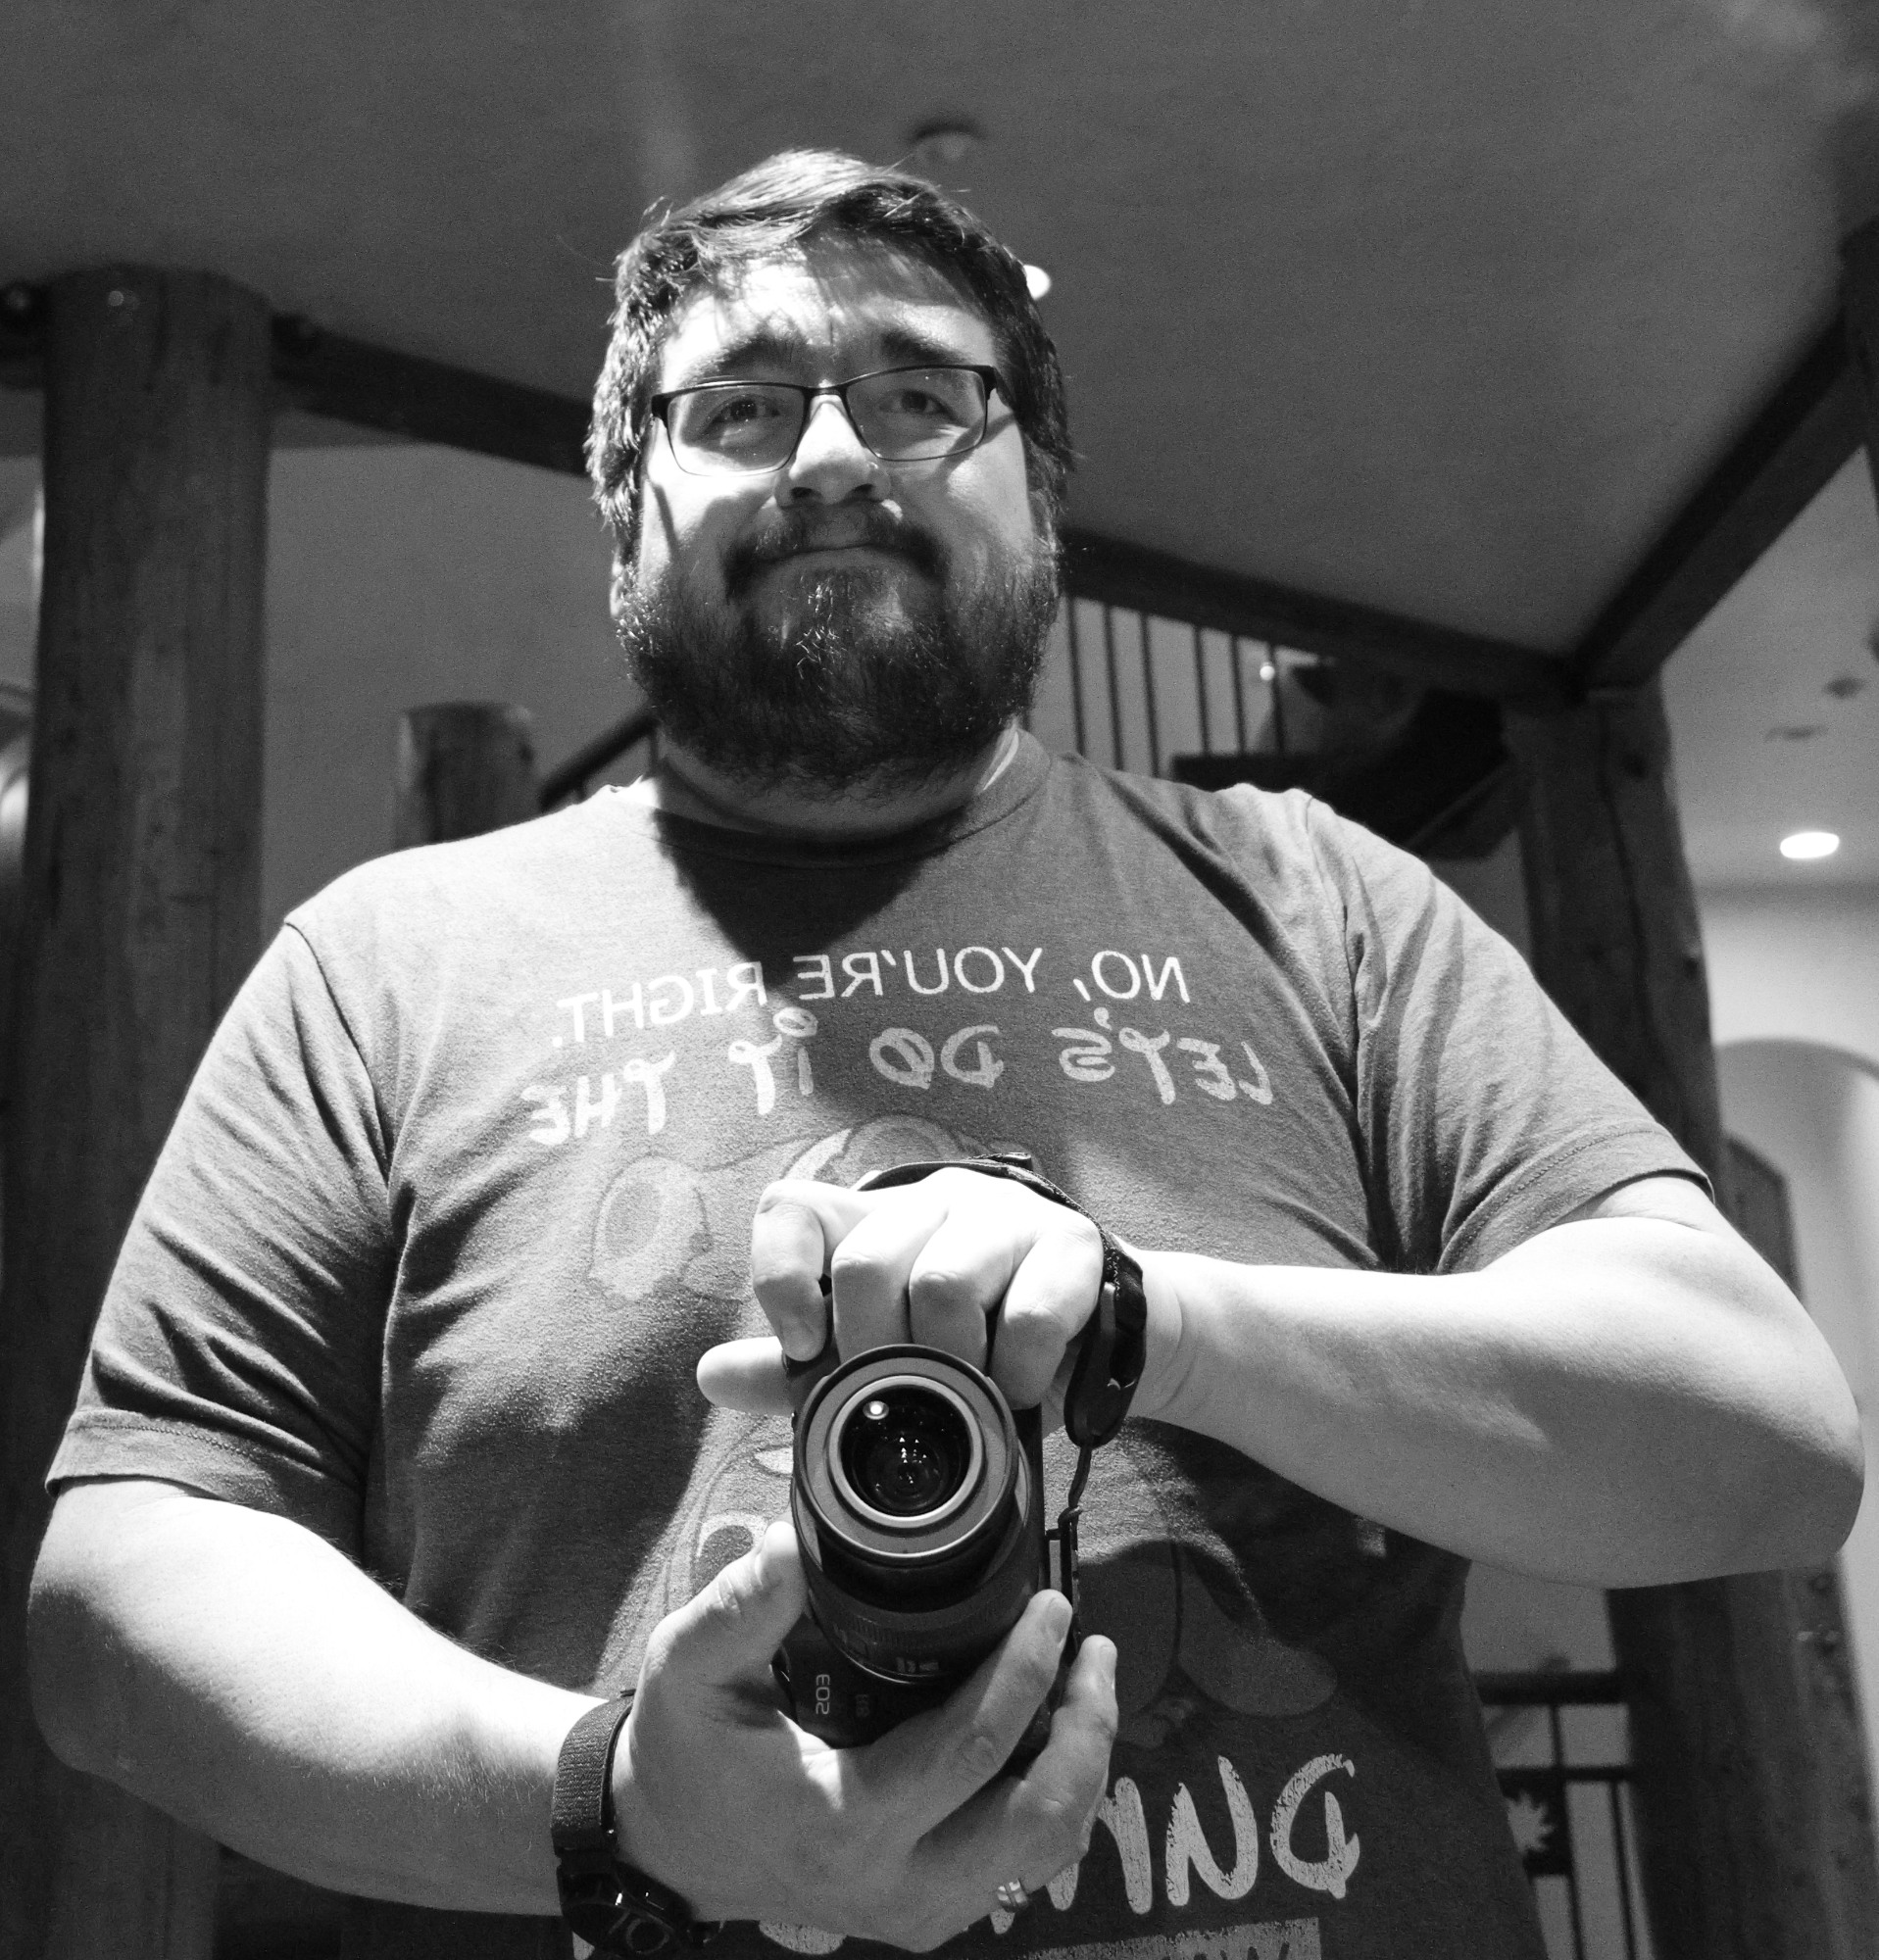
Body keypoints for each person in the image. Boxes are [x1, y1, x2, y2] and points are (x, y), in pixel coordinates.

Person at [27, 149, 1861, 1960]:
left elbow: (1765, 1445)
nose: (832, 456)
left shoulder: (1325, 902)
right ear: (627, 509)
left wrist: (1151, 1324)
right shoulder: (381, 971)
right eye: (740, 408)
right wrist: (618, 1807)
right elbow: (125, 1586)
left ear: (1037, 492)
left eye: (919, 397)